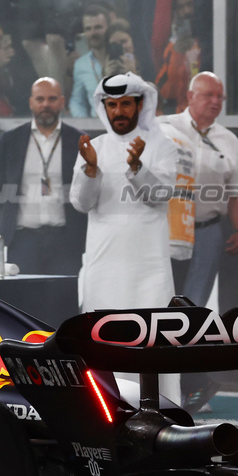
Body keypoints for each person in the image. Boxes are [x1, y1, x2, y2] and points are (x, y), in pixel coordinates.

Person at [70, 74, 179, 404]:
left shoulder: (163, 145)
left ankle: (165, 414)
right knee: (104, 345)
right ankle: (108, 414)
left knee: (154, 343)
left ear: (139, 105)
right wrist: (91, 171)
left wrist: (136, 167)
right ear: (104, 107)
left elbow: (161, 195)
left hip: (149, 269)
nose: (119, 111)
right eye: (112, 105)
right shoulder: (95, 148)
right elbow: (81, 203)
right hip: (104, 268)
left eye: (126, 104)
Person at [160, 72, 238, 306]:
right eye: (208, 95)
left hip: (209, 232)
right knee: (161, 296)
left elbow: (235, 193)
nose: (216, 101)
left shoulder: (230, 141)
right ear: (190, 96)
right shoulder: (164, 128)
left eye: (220, 96)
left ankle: (187, 342)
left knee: (195, 302)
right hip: (167, 228)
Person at [0, 77, 87, 275]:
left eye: (52, 99)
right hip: (23, 241)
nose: (45, 105)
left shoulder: (79, 140)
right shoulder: (11, 140)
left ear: (62, 101)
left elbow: (89, 186)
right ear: (31, 102)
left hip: (66, 241)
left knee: (64, 300)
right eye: (40, 99)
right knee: (24, 301)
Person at [69, 5, 112, 118]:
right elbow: (77, 101)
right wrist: (85, 123)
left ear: (109, 27)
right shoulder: (81, 65)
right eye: (88, 29)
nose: (93, 33)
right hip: (97, 127)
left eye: (98, 27)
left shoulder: (121, 58)